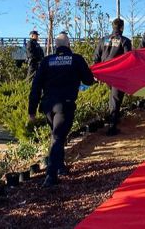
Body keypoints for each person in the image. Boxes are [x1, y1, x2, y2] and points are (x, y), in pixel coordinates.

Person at [28, 32, 95, 187]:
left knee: (56, 135)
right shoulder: (76, 59)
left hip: (48, 107)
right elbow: (89, 80)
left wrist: (31, 110)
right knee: (58, 137)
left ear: (55, 46)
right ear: (69, 44)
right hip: (64, 105)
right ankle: (51, 175)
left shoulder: (46, 61)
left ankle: (60, 167)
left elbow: (36, 86)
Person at [94, 18, 133, 135]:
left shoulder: (103, 40)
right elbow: (128, 58)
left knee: (113, 98)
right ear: (122, 28)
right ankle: (112, 127)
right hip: (118, 74)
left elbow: (96, 57)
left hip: (105, 74)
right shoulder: (124, 40)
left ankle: (114, 120)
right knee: (116, 99)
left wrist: (97, 72)